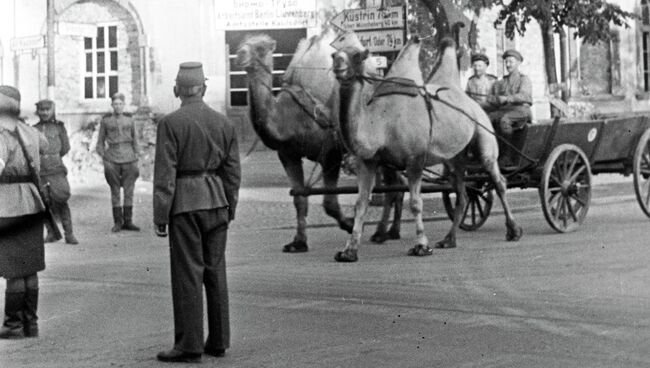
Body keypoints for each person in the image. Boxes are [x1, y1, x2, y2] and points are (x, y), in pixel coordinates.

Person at [153, 62, 241, 363]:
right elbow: (233, 172)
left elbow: (165, 175)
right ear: (203, 88)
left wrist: (161, 215)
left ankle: (189, 345)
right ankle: (218, 341)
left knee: (188, 274)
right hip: (217, 201)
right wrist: (230, 205)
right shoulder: (224, 122)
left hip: (186, 203)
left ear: (177, 90)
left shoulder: (170, 123)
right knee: (216, 271)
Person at [0, 85, 48, 339]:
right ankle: (31, 324)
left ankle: (13, 325)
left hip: (8, 205)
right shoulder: (31, 132)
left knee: (14, 268)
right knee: (30, 268)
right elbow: (46, 150)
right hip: (33, 202)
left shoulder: (1, 136)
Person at [34, 99, 78, 244]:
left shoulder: (59, 128)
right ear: (38, 112)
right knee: (43, 201)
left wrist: (53, 158)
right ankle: (51, 232)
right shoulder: (34, 129)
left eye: (47, 109)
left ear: (52, 111)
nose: (45, 113)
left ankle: (69, 233)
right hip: (41, 171)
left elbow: (65, 148)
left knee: (61, 199)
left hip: (56, 169)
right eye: (42, 110)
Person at [96, 92, 141, 232]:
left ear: (124, 105)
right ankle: (117, 222)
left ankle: (128, 221)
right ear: (112, 105)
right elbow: (100, 142)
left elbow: (136, 140)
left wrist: (136, 155)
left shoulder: (130, 120)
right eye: (115, 104)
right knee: (115, 190)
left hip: (129, 157)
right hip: (112, 157)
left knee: (129, 190)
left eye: (120, 104)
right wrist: (104, 157)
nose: (118, 106)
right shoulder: (106, 121)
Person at [487, 49, 533, 166]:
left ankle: (507, 156)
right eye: (506, 62)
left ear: (518, 63)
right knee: (487, 119)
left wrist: (507, 99)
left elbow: (525, 96)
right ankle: (490, 154)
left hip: (521, 110)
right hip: (505, 110)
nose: (507, 65)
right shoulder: (501, 82)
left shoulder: (524, 79)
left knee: (504, 121)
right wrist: (495, 99)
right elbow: (493, 99)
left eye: (510, 62)